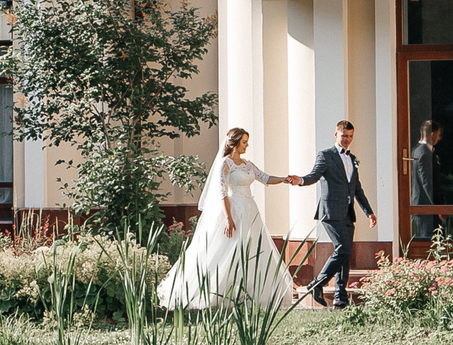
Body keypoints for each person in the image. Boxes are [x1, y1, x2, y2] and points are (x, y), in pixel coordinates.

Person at [158, 128, 297, 310]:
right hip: (234, 209)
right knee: (227, 250)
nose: (247, 145)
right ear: (236, 142)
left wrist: (285, 179)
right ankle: (220, 293)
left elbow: (264, 177)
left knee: (252, 249)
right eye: (244, 142)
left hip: (250, 210)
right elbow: (222, 192)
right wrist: (228, 218)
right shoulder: (226, 163)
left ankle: (250, 293)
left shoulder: (247, 164)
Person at [293, 120, 375, 308]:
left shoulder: (352, 158)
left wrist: (368, 212)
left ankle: (340, 297)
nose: (347, 139)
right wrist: (301, 180)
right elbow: (314, 175)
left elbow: (357, 189)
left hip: (347, 212)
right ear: (336, 134)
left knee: (345, 254)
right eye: (344, 135)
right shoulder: (326, 155)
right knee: (343, 249)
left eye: (350, 136)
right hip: (330, 211)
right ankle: (317, 284)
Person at [410, 122, 441, 243]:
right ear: (432, 134)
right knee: (428, 243)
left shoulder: (415, 151)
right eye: (438, 135)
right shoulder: (423, 153)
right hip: (426, 207)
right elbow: (427, 183)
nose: (439, 138)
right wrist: (438, 208)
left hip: (422, 206)